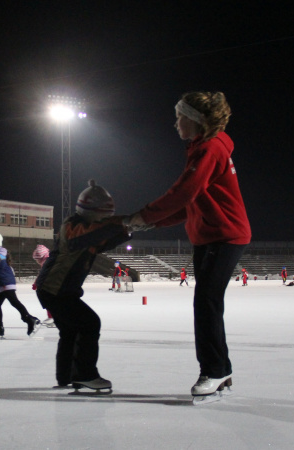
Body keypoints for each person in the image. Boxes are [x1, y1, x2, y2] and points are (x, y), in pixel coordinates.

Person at [126, 91, 250, 397]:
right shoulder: (202, 148)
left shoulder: (209, 149)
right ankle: (222, 368)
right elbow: (191, 202)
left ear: (195, 120)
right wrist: (154, 221)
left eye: (180, 117)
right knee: (208, 304)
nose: (175, 123)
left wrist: (144, 214)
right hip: (210, 235)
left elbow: (184, 192)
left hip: (225, 235)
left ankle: (214, 370)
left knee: (206, 303)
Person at [35, 179, 130, 392]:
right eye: (103, 216)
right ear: (90, 212)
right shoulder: (73, 227)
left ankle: (66, 376)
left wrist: (126, 231)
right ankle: (85, 375)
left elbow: (102, 240)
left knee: (70, 331)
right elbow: (93, 235)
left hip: (58, 290)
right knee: (89, 324)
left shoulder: (87, 231)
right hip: (56, 289)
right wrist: (122, 222)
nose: (105, 220)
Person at [31, 244, 55, 327]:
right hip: (49, 285)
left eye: (38, 259)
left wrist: (37, 283)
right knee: (48, 301)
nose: (37, 261)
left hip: (51, 285)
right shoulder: (46, 261)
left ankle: (53, 317)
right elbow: (41, 274)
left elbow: (44, 274)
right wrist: (36, 283)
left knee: (49, 301)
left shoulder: (47, 262)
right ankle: (51, 317)